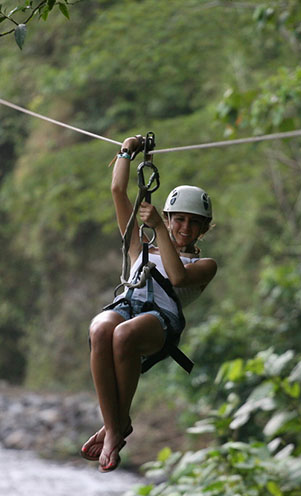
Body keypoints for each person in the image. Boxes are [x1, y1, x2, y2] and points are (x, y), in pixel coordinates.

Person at [81, 135, 218, 472]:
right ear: (171, 219)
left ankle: (115, 428)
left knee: (125, 335)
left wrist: (156, 227)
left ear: (203, 229)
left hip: (161, 321)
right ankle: (114, 425)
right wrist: (127, 151)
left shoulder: (204, 265)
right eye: (179, 220)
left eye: (193, 222)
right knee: (101, 329)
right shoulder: (140, 246)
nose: (184, 227)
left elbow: (177, 279)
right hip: (128, 305)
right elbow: (118, 192)